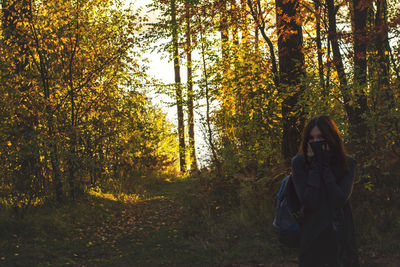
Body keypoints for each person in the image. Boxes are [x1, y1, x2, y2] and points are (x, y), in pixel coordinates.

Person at [290, 115, 360, 267]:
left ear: (331, 138)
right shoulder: (299, 163)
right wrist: (316, 166)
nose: (316, 142)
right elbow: (309, 201)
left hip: (340, 234)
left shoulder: (347, 163)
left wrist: (326, 167)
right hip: (312, 236)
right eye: (311, 138)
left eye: (321, 137)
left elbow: (339, 200)